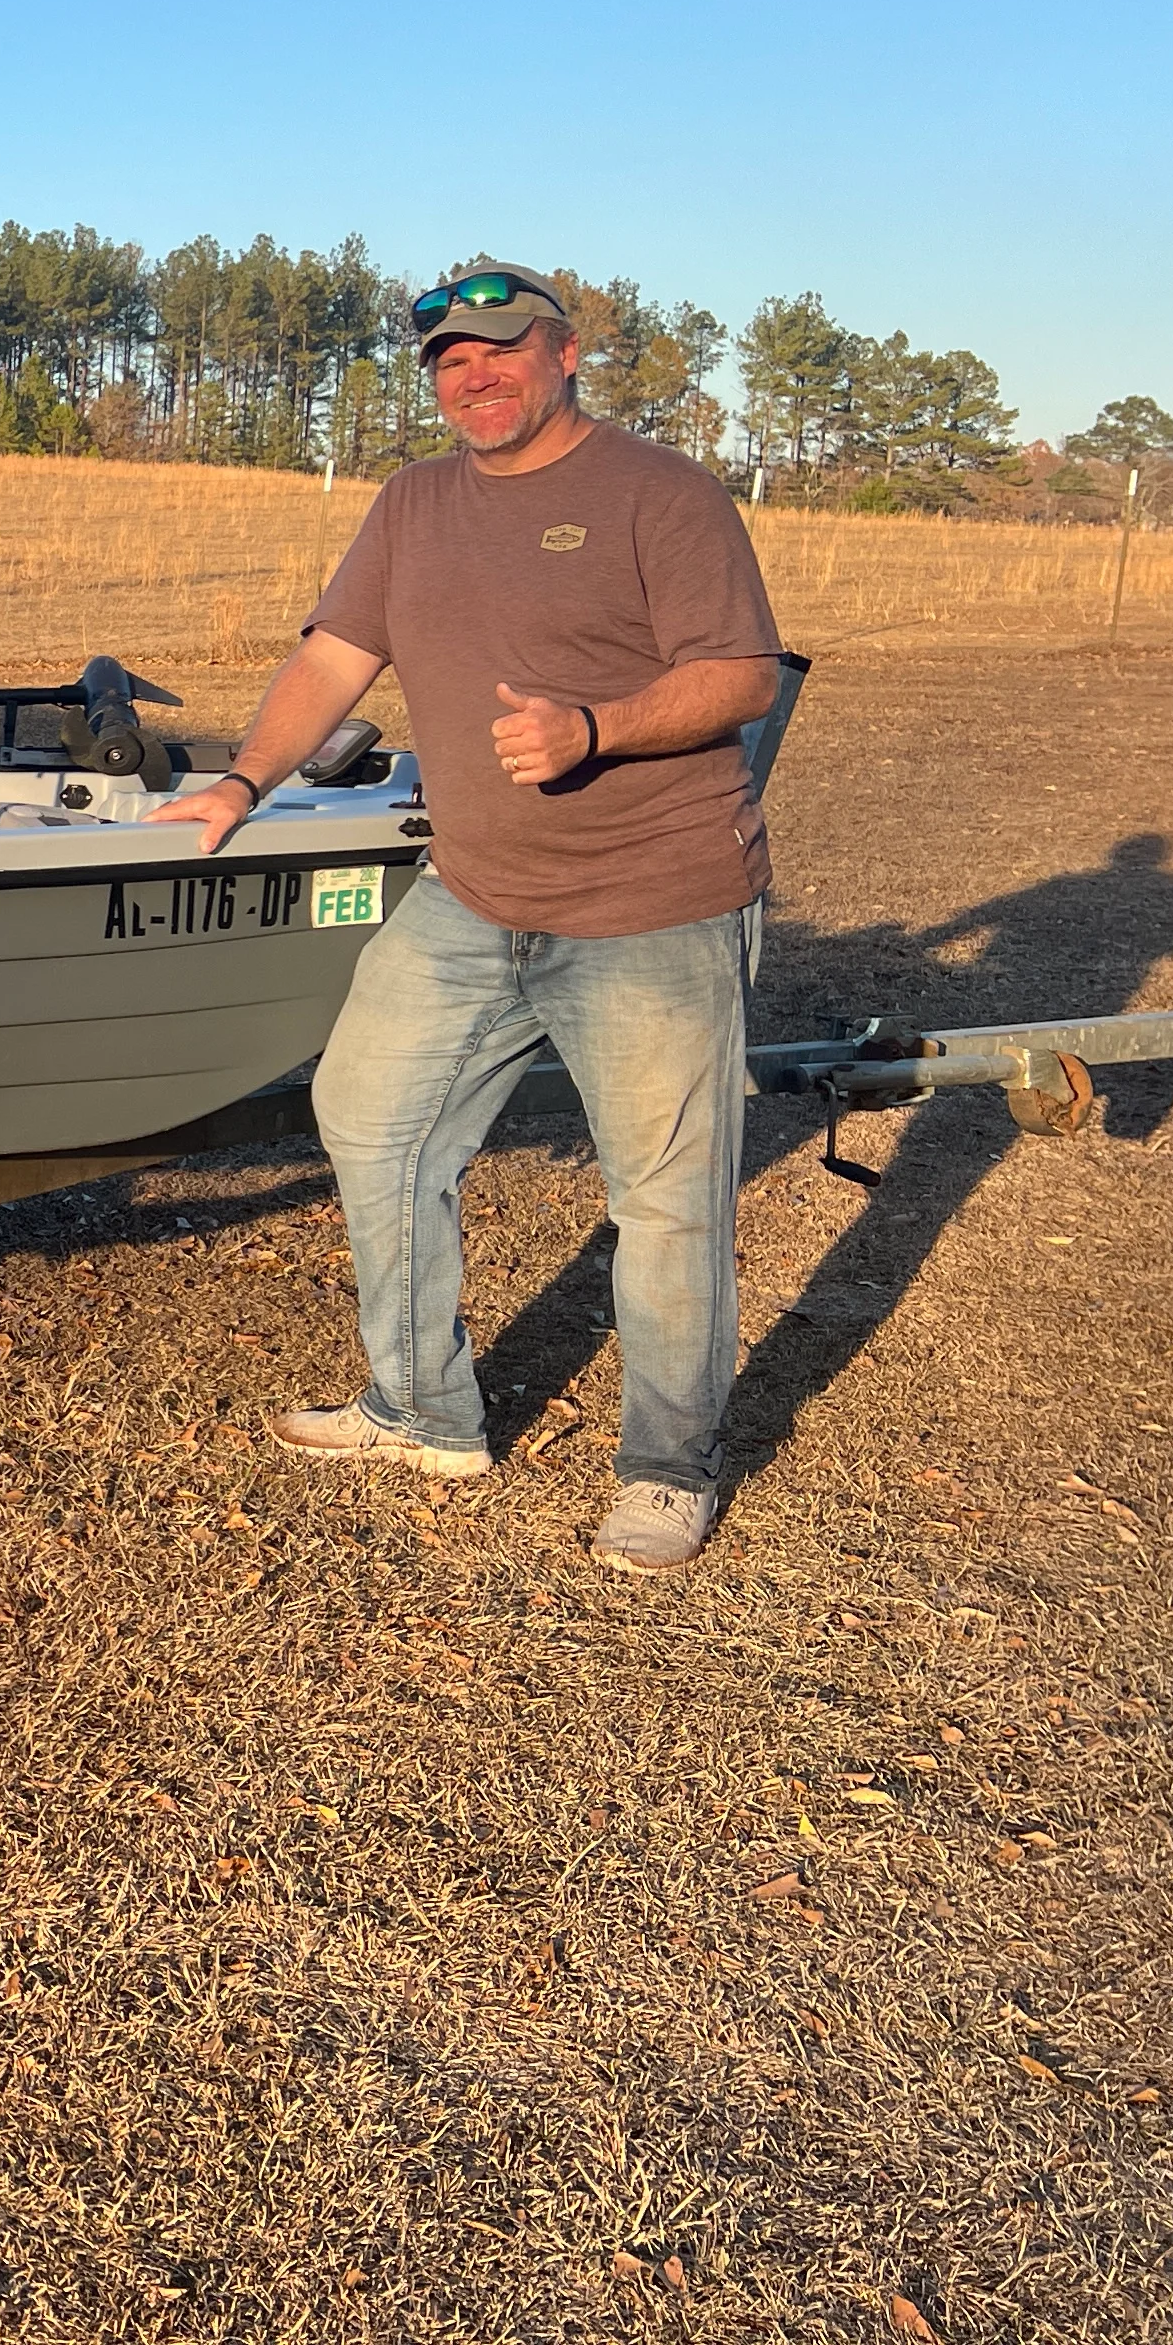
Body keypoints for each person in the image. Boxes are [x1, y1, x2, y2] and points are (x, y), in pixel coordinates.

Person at [148, 262, 785, 1575]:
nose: (473, 376)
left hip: (653, 907)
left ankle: (667, 1468)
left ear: (563, 356)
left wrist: (597, 727)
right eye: (448, 359)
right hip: (475, 896)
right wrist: (238, 780)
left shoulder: (662, 494)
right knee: (370, 1116)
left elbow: (739, 677)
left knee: (663, 1203)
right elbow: (335, 654)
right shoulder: (414, 502)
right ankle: (422, 1409)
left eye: (499, 350)